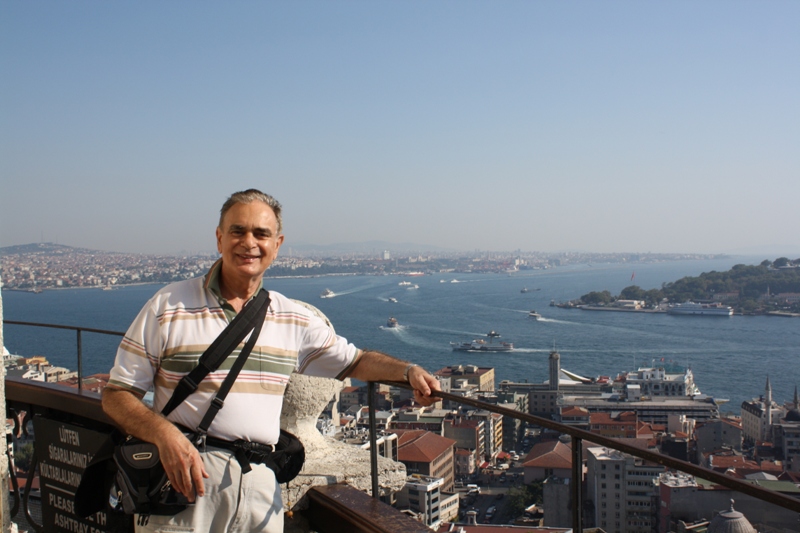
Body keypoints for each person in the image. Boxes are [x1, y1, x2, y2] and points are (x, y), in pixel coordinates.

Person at [102, 189, 441, 532]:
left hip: (259, 489)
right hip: (186, 484)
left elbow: (354, 361)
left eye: (261, 234)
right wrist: (164, 436)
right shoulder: (168, 306)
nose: (249, 242)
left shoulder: (291, 317)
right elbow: (116, 395)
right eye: (238, 231)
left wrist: (408, 371)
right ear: (219, 239)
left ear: (277, 245)